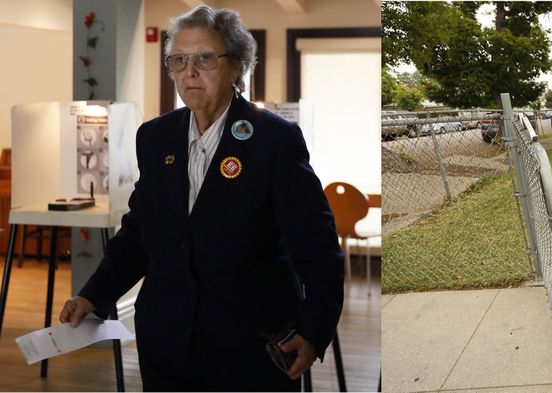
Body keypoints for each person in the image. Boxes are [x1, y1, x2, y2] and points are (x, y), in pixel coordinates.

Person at [58, 5, 344, 391]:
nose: (189, 72)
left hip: (249, 347)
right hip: (166, 340)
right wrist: (94, 294)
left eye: (204, 58)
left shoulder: (274, 140)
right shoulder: (155, 138)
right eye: (178, 60)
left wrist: (313, 329)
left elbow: (318, 245)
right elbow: (141, 230)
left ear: (237, 65)